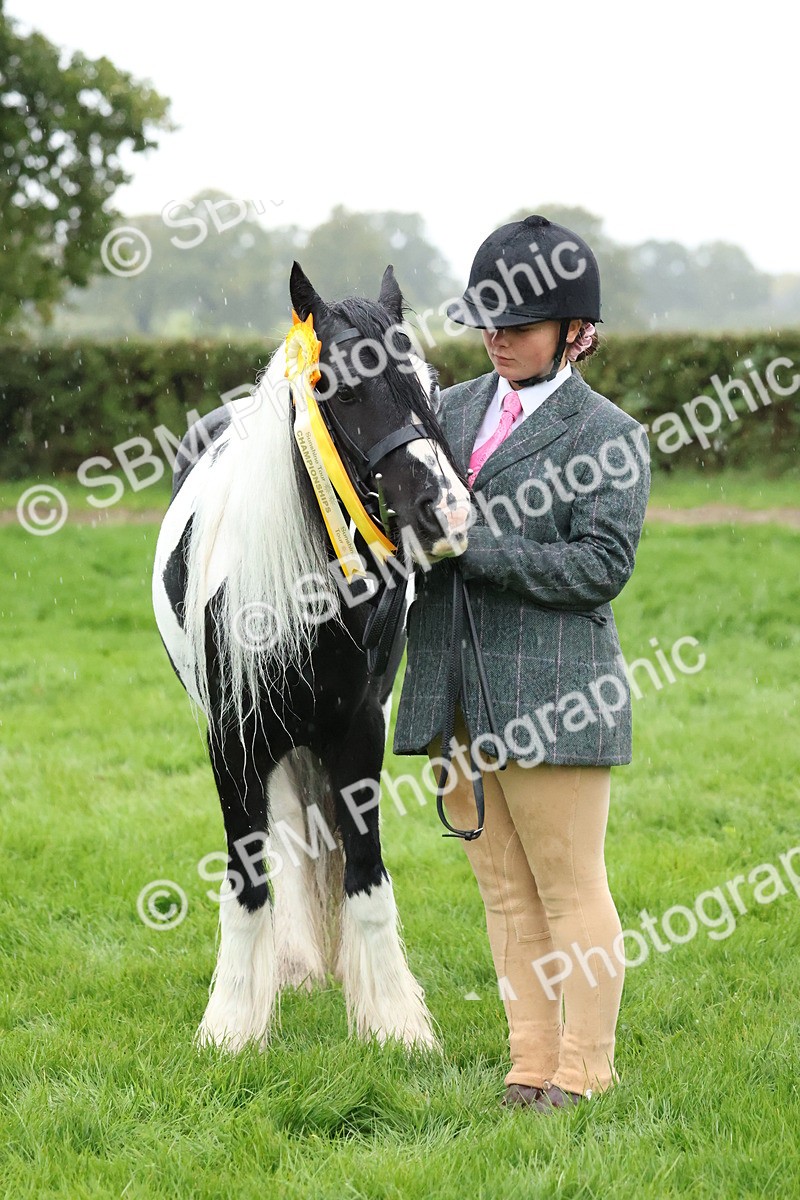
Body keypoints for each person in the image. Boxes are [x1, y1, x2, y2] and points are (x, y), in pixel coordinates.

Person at [392, 215, 651, 1113]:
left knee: (570, 888)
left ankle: (585, 1070)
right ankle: (529, 1064)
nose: (498, 339)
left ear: (575, 332)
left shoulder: (607, 433)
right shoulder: (452, 410)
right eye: (489, 324)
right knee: (504, 892)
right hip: (456, 692)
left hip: (555, 691)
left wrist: (472, 544)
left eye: (520, 325)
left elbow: (598, 568)